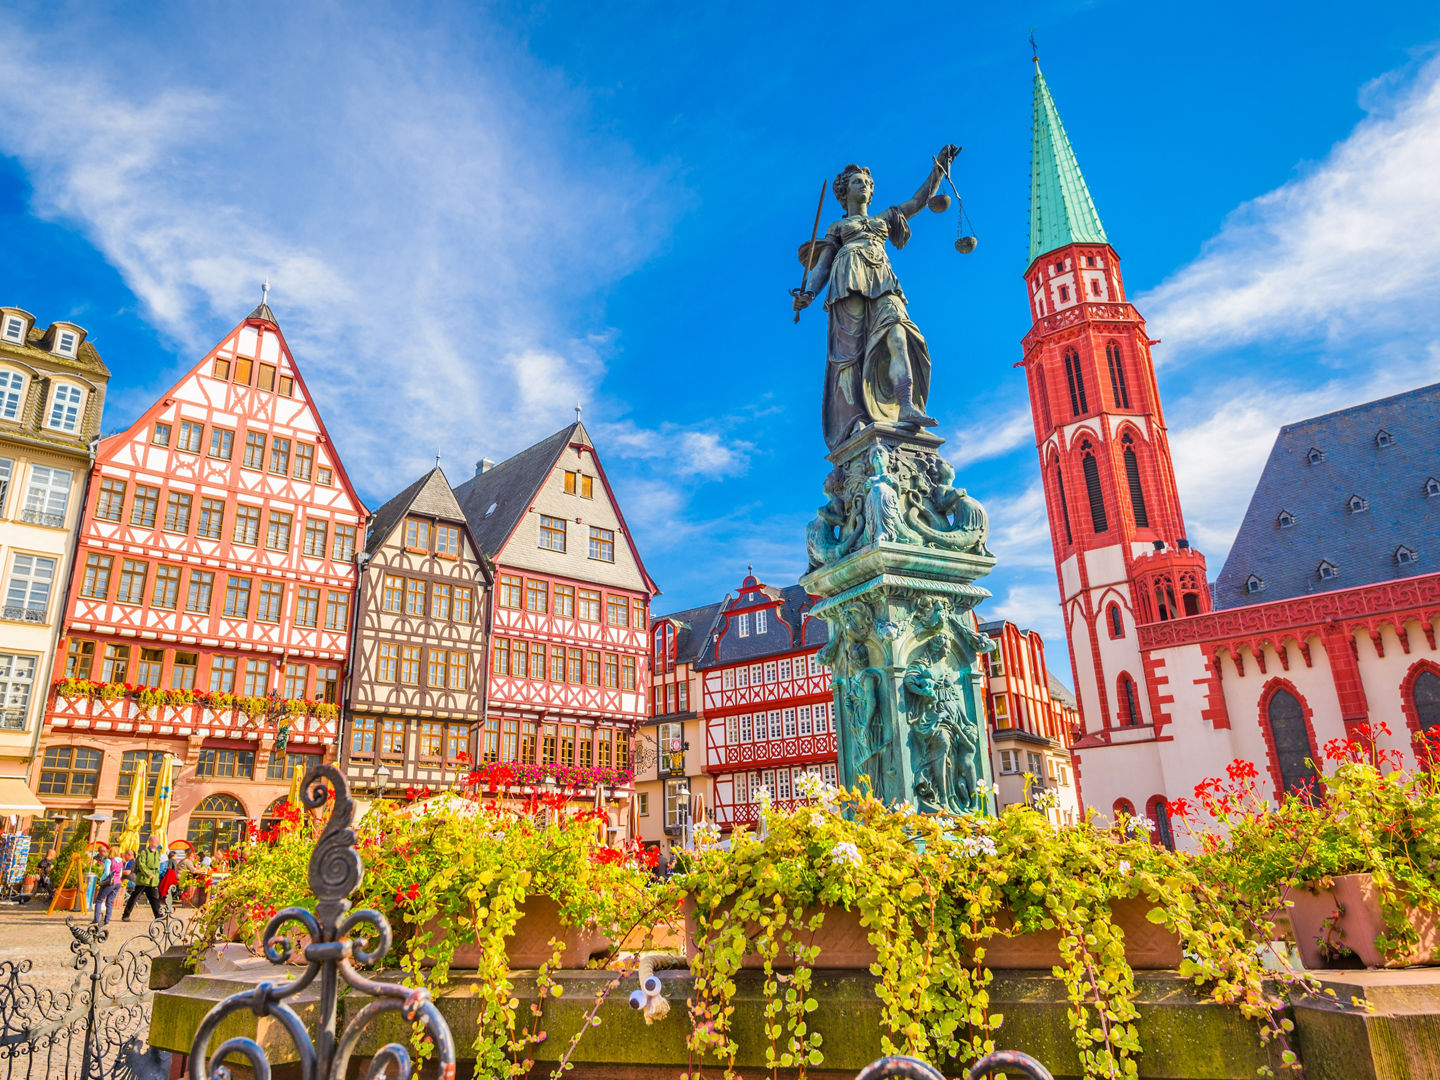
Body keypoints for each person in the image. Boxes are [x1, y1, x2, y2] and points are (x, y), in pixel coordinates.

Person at [792, 146, 958, 451]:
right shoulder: (839, 227)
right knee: (850, 355)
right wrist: (809, 294)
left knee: (899, 335)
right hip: (847, 281)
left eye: (867, 183)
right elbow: (823, 265)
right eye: (857, 182)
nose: (864, 186)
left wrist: (938, 170)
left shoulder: (885, 218)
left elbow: (919, 202)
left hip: (883, 280)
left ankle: (907, 406)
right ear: (843, 193)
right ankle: (853, 418)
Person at [121, 836, 164, 921]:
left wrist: (155, 877)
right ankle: (126, 915)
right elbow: (141, 865)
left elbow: (157, 866)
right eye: (156, 841)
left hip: (153, 881)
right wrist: (148, 873)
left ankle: (158, 915)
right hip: (143, 880)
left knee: (154, 898)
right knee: (134, 897)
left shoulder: (158, 853)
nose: (158, 842)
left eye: (158, 841)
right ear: (150, 842)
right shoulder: (144, 852)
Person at [92, 850, 124, 925]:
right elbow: (120, 874)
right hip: (118, 883)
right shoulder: (121, 862)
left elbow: (106, 873)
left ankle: (96, 920)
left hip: (110, 883)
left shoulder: (108, 861)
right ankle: (107, 921)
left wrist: (101, 880)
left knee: (99, 900)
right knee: (109, 901)